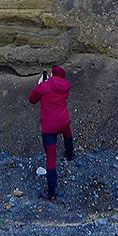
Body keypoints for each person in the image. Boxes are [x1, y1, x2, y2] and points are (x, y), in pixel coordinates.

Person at [28, 65, 74, 201]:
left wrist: (41, 84)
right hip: (64, 121)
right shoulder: (66, 86)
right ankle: (70, 155)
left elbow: (32, 99)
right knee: (67, 134)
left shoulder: (45, 86)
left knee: (51, 158)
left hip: (49, 126)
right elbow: (57, 87)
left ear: (52, 74)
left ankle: (52, 193)